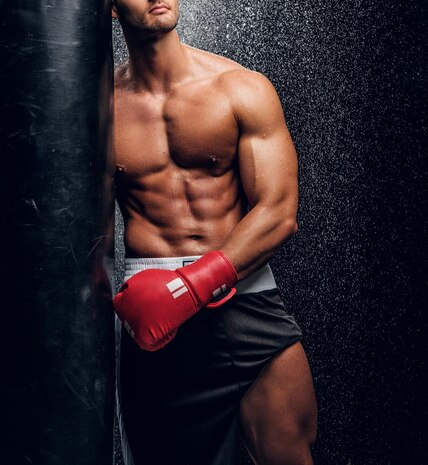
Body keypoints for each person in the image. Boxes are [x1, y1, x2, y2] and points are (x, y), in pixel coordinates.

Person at [110, 1, 318, 464]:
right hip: (153, 320)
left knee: (289, 453)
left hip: (246, 305)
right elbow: (83, 238)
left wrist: (188, 288)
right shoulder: (99, 111)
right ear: (109, 9)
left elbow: (279, 212)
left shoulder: (240, 88)